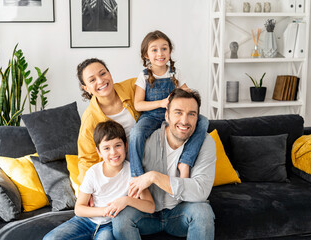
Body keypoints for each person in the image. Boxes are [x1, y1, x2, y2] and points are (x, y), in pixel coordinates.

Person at [112, 89, 217, 240]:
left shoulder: (205, 143)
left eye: (191, 114)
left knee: (203, 213)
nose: (184, 121)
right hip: (147, 213)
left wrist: (154, 177)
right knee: (121, 218)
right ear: (166, 115)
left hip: (181, 211)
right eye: (178, 112)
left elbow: (200, 191)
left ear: (197, 118)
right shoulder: (145, 141)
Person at [43, 120, 155, 240]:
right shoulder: (93, 172)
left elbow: (150, 207)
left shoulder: (133, 172)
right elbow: (79, 208)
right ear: (99, 152)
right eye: (106, 148)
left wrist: (126, 200)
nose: (113, 152)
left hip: (109, 225)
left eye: (118, 145)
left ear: (126, 146)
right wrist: (104, 210)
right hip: (86, 222)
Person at [130, 30, 209, 178]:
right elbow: (138, 105)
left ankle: (185, 161)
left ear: (170, 51)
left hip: (174, 117)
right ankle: (136, 174)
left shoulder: (175, 73)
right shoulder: (144, 76)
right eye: (154, 50)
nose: (160, 53)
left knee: (203, 121)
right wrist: (161, 103)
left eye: (164, 48)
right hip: (151, 117)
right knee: (136, 133)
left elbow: (187, 94)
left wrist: (187, 93)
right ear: (146, 55)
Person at [76, 58, 140, 184]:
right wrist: (86, 192)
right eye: (92, 80)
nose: (100, 81)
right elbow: (87, 159)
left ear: (109, 73)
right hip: (119, 169)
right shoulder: (90, 119)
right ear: (86, 88)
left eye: (103, 73)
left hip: (148, 154)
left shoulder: (133, 87)